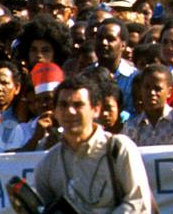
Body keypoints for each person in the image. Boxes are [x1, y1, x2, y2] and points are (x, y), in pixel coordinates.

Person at [34, 74, 153, 213]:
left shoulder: (118, 149)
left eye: (78, 105)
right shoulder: (48, 164)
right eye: (63, 105)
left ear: (96, 110)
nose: (70, 111)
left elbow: (138, 204)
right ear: (55, 112)